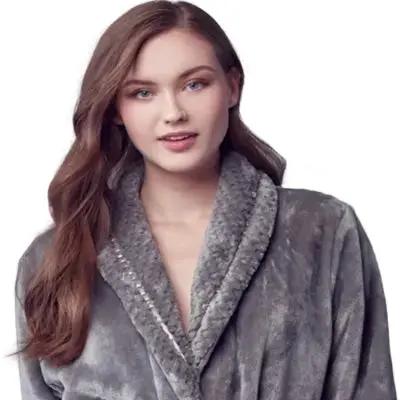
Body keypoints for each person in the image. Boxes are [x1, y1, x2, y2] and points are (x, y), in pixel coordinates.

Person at [11, 1, 397, 399]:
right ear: (116, 110)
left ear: (232, 86)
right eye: (143, 92)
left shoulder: (321, 232)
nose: (173, 112)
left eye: (194, 84)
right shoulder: (53, 260)